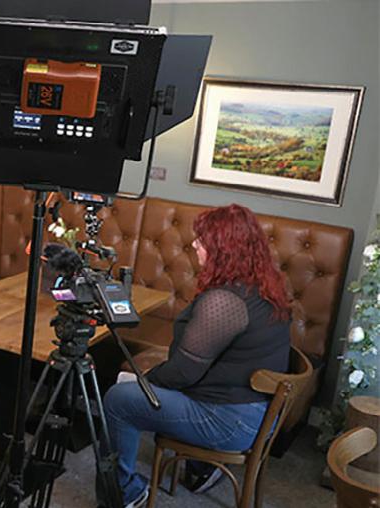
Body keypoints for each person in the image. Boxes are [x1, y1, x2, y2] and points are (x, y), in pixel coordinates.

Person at [104, 204, 291, 508]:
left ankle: (124, 493)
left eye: (202, 240)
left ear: (224, 249)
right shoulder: (261, 284)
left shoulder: (225, 301)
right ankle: (202, 468)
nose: (194, 245)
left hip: (231, 422)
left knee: (118, 399)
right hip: (256, 411)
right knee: (140, 385)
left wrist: (144, 380)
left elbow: (183, 372)